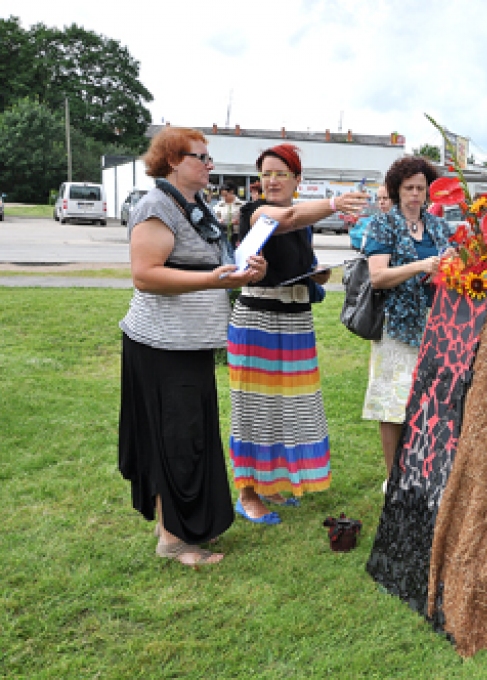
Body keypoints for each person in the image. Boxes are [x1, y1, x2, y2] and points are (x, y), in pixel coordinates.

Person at [118, 126, 268, 567]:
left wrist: (246, 270)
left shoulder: (195, 206)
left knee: (190, 438)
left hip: (190, 344)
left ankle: (183, 527)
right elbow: (145, 274)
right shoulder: (156, 207)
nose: (209, 164)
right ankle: (173, 540)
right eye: (199, 157)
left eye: (208, 157)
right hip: (161, 346)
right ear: (172, 161)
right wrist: (211, 280)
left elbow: (213, 262)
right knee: (176, 441)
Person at [229, 144, 368, 524]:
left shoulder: (304, 223)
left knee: (288, 409)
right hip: (258, 322)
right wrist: (335, 203)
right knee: (254, 409)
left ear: (297, 180)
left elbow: (298, 254)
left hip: (294, 321)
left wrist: (316, 273)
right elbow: (285, 218)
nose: (272, 181)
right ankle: (247, 494)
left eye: (280, 174)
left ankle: (271, 484)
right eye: (266, 174)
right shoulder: (254, 212)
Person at [363, 156, 454, 484]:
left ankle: (426, 474)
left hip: (438, 324)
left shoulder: (439, 226)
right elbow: (377, 277)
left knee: (433, 403)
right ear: (396, 190)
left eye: (421, 188)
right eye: (408, 188)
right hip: (396, 327)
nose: (415, 194)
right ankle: (394, 480)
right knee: (392, 404)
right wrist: (421, 266)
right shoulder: (383, 224)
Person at [350, 185, 392, 252]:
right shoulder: (375, 220)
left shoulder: (402, 221)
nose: (381, 202)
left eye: (385, 198)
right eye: (378, 199)